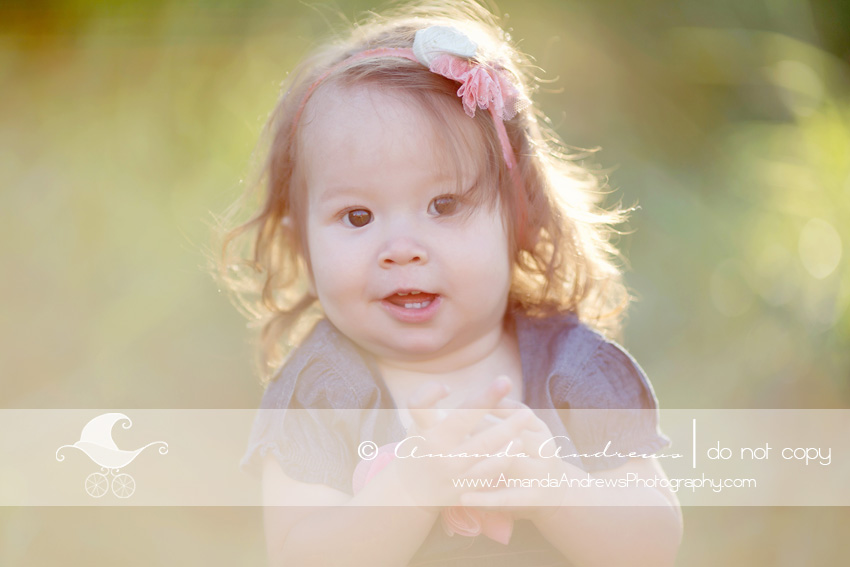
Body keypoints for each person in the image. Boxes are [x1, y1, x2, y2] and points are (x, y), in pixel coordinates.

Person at [220, 1, 683, 565]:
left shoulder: (573, 369)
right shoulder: (322, 394)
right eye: (358, 217)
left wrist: (559, 489)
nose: (402, 249)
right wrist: (411, 487)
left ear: (519, 219)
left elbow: (653, 544)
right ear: (301, 244)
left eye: (443, 205)